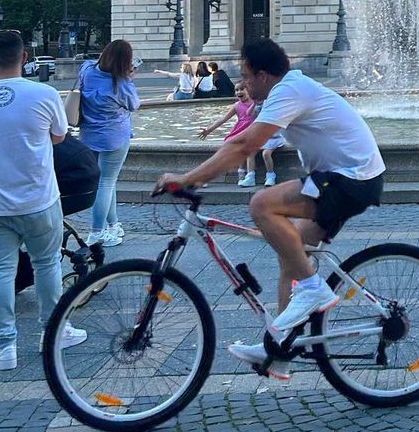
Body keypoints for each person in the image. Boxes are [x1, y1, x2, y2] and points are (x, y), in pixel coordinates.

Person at [156, 38, 385, 379]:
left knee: (261, 204)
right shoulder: (287, 89)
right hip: (346, 177)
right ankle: (280, 348)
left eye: (246, 76)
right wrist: (197, 178)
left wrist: (189, 178)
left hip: (352, 179)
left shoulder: (288, 90)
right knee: (290, 251)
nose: (243, 83)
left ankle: (313, 289)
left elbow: (246, 145)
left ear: (263, 75)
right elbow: (238, 142)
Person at [0, 29, 86, 370]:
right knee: (47, 264)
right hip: (39, 199)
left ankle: (4, 347)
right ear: (25, 58)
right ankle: (53, 332)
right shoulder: (44, 93)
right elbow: (59, 136)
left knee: (0, 270)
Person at [77, 40, 141, 248]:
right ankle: (97, 233)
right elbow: (134, 105)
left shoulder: (87, 70)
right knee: (106, 183)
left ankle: (113, 225)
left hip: (88, 135)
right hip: (114, 137)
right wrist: (129, 78)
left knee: (106, 182)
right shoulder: (121, 83)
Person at [198, 83, 258, 184]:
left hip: (252, 132)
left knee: (247, 151)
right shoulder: (237, 106)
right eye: (236, 90)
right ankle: (204, 176)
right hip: (239, 132)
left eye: (242, 89)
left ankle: (246, 176)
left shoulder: (256, 102)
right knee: (224, 154)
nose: (239, 92)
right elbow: (223, 119)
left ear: (249, 90)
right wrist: (209, 130)